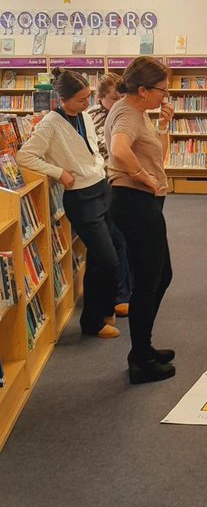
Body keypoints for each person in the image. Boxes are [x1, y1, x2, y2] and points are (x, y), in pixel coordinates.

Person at [17, 67, 119, 340]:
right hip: (82, 199)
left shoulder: (84, 116)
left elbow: (91, 148)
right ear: (63, 99)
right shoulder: (50, 124)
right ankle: (93, 322)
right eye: (81, 100)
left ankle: (101, 312)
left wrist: (99, 166)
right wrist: (58, 172)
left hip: (101, 188)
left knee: (103, 257)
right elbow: (25, 157)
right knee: (106, 260)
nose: (87, 104)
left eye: (88, 97)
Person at [105, 57, 175, 384]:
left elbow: (156, 155)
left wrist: (162, 127)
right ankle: (141, 359)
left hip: (142, 202)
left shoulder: (138, 112)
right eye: (162, 89)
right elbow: (119, 149)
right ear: (143, 89)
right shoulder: (127, 112)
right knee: (149, 280)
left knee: (160, 276)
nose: (166, 94)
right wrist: (141, 176)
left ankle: (143, 348)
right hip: (134, 203)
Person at [89, 72, 131, 318]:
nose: (118, 101)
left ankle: (124, 292)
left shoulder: (128, 113)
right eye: (113, 97)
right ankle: (119, 293)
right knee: (115, 238)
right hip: (102, 181)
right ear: (101, 97)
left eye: (121, 96)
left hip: (124, 180)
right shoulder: (91, 117)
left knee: (123, 237)